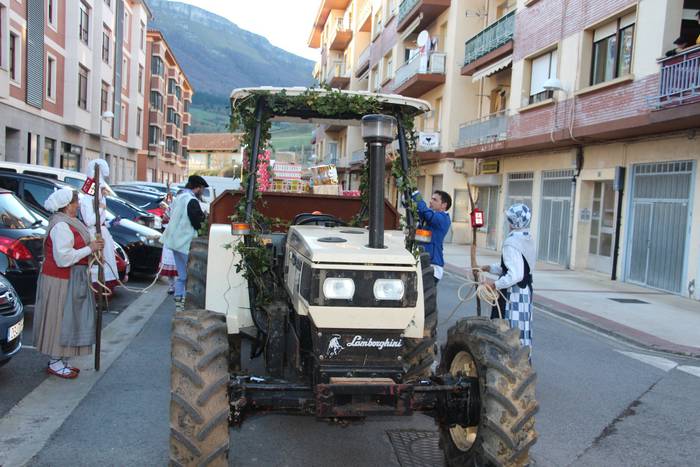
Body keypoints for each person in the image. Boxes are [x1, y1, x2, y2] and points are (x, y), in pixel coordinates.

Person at [34, 188, 104, 379]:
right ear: (66, 206)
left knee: (69, 319)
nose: (78, 205)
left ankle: (61, 360)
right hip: (60, 280)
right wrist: (90, 248)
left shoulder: (70, 222)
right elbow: (63, 258)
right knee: (59, 320)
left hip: (71, 278)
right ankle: (55, 361)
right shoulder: (61, 226)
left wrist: (94, 245)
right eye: (75, 202)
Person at [481, 203, 536, 352]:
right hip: (525, 292)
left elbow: (515, 274)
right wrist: (490, 268)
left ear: (512, 222)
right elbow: (518, 268)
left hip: (512, 294)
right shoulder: (526, 238)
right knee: (522, 327)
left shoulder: (511, 242)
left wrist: (494, 285)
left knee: (507, 328)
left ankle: (507, 358)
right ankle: (523, 358)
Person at [160, 175, 208, 310]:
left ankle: (178, 303)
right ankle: (185, 304)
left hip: (174, 242)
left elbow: (169, 215)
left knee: (182, 275)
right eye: (202, 189)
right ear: (197, 188)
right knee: (190, 276)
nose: (202, 192)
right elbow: (197, 222)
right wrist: (204, 217)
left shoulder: (179, 197)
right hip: (185, 242)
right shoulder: (191, 200)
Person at [79, 159, 119, 294]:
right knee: (97, 265)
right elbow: (90, 221)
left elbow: (99, 221)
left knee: (106, 265)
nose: (104, 192)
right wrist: (101, 208)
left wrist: (108, 223)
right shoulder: (87, 200)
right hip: (94, 236)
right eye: (101, 189)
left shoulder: (100, 199)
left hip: (102, 234)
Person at [411, 189, 452, 284]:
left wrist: (417, 197)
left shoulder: (443, 218)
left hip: (432, 267)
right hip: (424, 263)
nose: (430, 201)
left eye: (435, 200)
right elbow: (426, 238)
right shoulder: (433, 220)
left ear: (444, 205)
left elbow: (427, 214)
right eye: (431, 199)